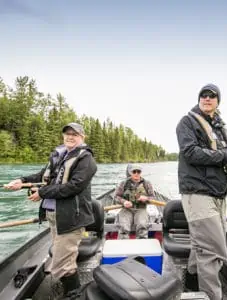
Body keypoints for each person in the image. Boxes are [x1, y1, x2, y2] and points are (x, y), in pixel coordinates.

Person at [5, 122, 97, 299]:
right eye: (67, 133)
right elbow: (42, 176)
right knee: (61, 257)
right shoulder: (59, 155)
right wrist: (21, 180)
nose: (70, 136)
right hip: (54, 217)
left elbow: (74, 186)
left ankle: (74, 295)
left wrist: (41, 192)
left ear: (82, 137)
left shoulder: (86, 159)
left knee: (63, 264)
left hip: (71, 218)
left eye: (74, 134)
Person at [176, 84, 227, 300]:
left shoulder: (221, 129)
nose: (207, 98)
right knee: (213, 251)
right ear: (199, 99)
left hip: (219, 195)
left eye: (212, 96)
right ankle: (211, 296)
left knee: (201, 243)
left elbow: (221, 158)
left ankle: (190, 278)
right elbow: (191, 153)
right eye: (203, 95)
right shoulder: (187, 122)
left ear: (218, 101)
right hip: (197, 193)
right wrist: (226, 158)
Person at [114, 164, 155, 239]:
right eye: (134, 171)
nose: (136, 173)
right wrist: (124, 202)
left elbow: (153, 198)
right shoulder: (123, 183)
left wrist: (146, 198)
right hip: (126, 209)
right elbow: (116, 197)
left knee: (142, 225)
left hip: (141, 209)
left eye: (138, 172)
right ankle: (123, 244)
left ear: (140, 173)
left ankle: (141, 244)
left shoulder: (147, 183)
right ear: (130, 172)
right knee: (123, 226)